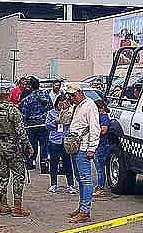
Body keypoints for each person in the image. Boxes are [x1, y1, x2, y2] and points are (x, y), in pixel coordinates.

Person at [0, 87, 33, 216]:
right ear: (8, 96)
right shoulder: (13, 110)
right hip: (12, 147)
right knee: (18, 176)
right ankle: (17, 207)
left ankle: (3, 205)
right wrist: (28, 146)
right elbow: (21, 131)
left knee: (2, 176)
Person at [65, 83, 99, 223]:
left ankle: (85, 211)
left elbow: (95, 128)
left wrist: (92, 148)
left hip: (84, 148)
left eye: (72, 95)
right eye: (69, 96)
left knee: (86, 180)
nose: (71, 98)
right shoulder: (76, 106)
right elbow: (65, 120)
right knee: (80, 179)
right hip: (75, 146)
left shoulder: (90, 105)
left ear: (79, 93)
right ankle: (82, 207)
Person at [46, 95, 77, 194]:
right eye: (60, 103)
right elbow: (47, 125)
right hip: (54, 141)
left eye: (64, 103)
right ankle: (53, 184)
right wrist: (55, 122)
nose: (62, 106)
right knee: (54, 163)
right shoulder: (51, 113)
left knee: (67, 163)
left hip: (66, 141)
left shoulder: (70, 112)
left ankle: (71, 185)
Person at [20, 76, 52, 172]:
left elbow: (24, 115)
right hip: (44, 124)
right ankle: (44, 165)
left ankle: (31, 162)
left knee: (32, 144)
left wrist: (23, 125)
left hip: (32, 125)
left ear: (30, 86)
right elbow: (51, 108)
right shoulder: (46, 95)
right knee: (44, 146)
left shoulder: (28, 99)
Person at [92, 99, 111, 197]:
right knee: (99, 168)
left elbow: (103, 130)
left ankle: (101, 187)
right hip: (99, 145)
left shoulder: (103, 118)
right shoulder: (100, 117)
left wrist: (94, 131)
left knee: (100, 168)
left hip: (101, 145)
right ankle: (100, 186)